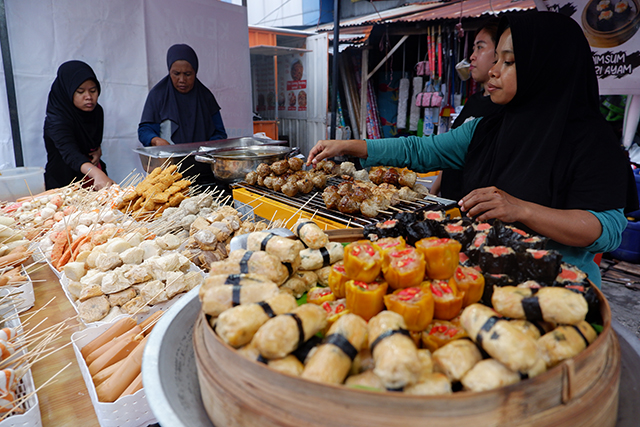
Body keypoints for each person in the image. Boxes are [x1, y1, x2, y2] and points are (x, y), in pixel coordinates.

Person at [307, 11, 638, 287]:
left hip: (556, 289)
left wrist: (521, 210)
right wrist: (350, 145)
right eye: (496, 60)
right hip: (483, 279)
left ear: (546, 68)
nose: (493, 71)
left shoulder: (594, 140)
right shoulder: (489, 127)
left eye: (508, 62)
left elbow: (605, 231)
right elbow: (420, 150)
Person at [431, 18, 502, 200]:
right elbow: (451, 151)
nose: (472, 56)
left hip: (473, 209)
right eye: (473, 49)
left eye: (480, 47)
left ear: (500, 53)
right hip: (449, 201)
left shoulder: (503, 109)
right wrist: (433, 192)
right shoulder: (473, 101)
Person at [138, 44, 227, 147]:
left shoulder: (206, 97)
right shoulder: (158, 95)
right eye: (176, 74)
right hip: (169, 160)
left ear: (195, 72)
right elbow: (145, 130)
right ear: (169, 72)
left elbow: (219, 133)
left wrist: (208, 148)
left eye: (188, 74)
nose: (182, 80)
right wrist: (155, 140)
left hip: (202, 160)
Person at [44, 60, 114, 190]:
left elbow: (93, 142)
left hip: (91, 178)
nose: (88, 97)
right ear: (68, 91)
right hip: (64, 182)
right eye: (80, 92)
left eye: (93, 90)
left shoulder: (96, 111)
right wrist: (96, 173)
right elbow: (70, 153)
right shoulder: (56, 119)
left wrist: (97, 152)